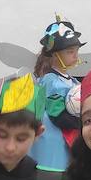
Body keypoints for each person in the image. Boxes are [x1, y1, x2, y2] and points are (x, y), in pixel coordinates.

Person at [31, 17, 85, 170]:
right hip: (54, 137)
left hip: (68, 137)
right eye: (70, 52)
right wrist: (81, 124)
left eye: (76, 51)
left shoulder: (73, 81)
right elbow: (57, 113)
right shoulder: (51, 81)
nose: (75, 56)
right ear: (55, 54)